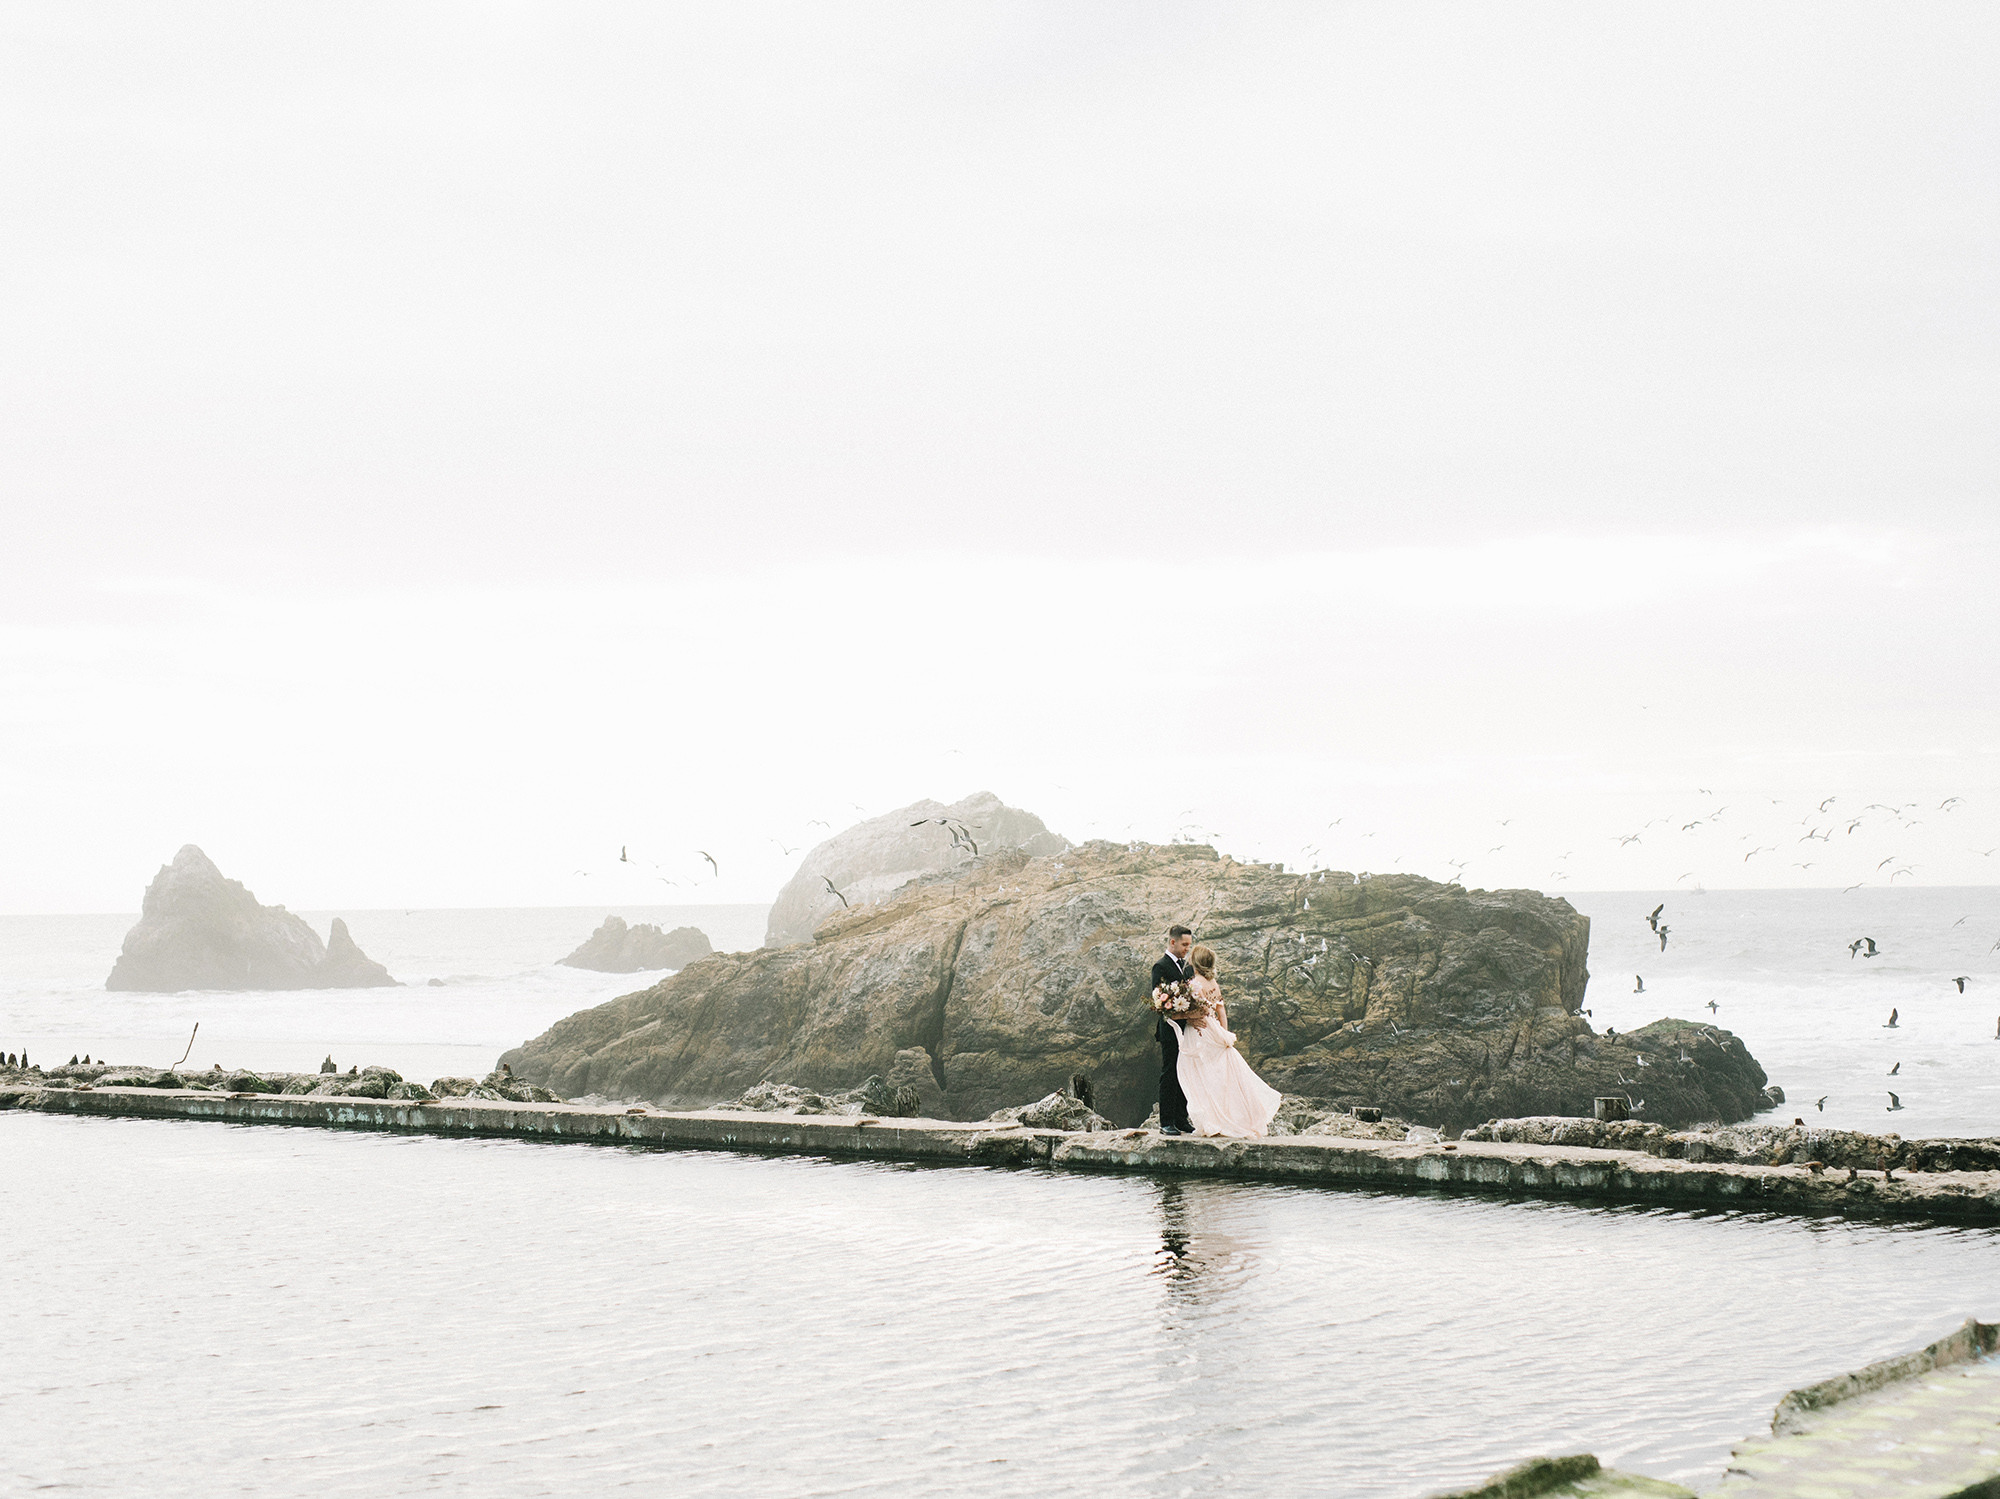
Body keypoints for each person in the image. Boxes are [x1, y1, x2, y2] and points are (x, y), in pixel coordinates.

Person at [1172, 944, 1281, 1138]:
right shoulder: (1212, 982)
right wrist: (1223, 1034)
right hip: (1214, 1029)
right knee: (1219, 1076)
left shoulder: (1194, 983)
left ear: (1195, 962)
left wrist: (1178, 1015)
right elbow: (1220, 1010)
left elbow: (1199, 1012)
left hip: (1200, 1032)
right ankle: (1225, 1118)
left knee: (1199, 1075)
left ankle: (1214, 1120)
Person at [1151, 925, 1196, 1134]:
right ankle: (1166, 1122)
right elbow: (1159, 1002)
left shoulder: (1187, 967)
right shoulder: (1160, 966)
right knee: (1169, 1074)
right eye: (1184, 944)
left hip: (1188, 1031)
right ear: (1173, 942)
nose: (1188, 948)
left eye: (1189, 944)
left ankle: (1181, 1118)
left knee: (1186, 1073)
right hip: (1170, 1030)